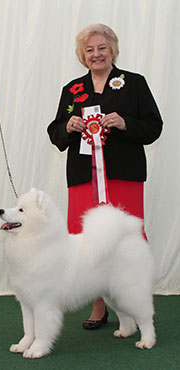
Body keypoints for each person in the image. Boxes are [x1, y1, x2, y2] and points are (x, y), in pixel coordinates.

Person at [47, 24, 162, 330]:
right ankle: (99, 305)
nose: (96, 54)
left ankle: (136, 303)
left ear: (113, 50)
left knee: (126, 240)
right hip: (84, 177)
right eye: (90, 49)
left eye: (102, 48)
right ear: (82, 55)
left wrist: (126, 124)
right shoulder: (72, 90)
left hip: (123, 175)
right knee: (88, 243)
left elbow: (154, 127)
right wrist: (68, 127)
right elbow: (55, 132)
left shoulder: (134, 84)